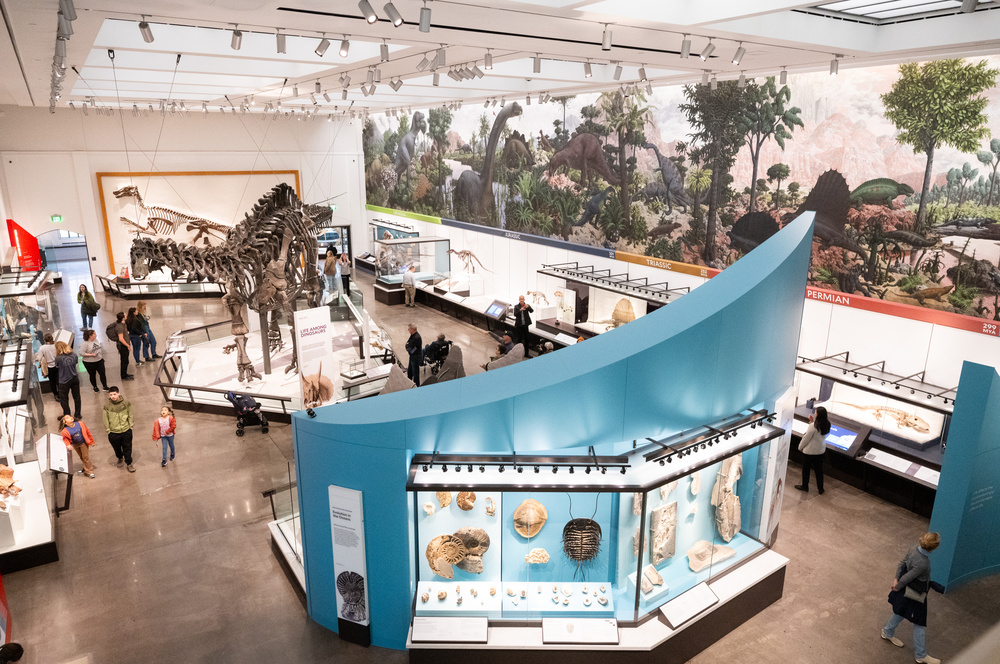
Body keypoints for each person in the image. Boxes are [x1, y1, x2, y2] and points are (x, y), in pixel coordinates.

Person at [882, 532, 944, 664]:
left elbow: (902, 563)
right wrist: (897, 586)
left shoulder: (914, 548)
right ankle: (921, 655)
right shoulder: (924, 563)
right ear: (933, 548)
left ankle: (887, 632)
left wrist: (895, 580)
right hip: (916, 593)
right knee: (919, 623)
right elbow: (908, 577)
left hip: (907, 590)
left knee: (901, 611)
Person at [795, 405, 830, 494]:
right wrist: (811, 421)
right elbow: (817, 430)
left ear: (818, 415)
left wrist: (800, 447)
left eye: (815, 413)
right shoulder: (827, 424)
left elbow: (806, 438)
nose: (814, 414)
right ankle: (820, 488)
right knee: (819, 471)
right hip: (820, 451)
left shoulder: (813, 426)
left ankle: (805, 486)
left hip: (810, 452)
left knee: (806, 470)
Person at [103, 386, 135, 472]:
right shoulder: (107, 406)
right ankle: (120, 457)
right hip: (113, 432)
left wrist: (130, 426)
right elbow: (105, 418)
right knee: (116, 447)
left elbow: (130, 414)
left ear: (118, 393)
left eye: (114, 394)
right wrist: (108, 430)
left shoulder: (126, 403)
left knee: (127, 447)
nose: (113, 396)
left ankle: (129, 463)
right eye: (111, 395)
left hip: (126, 430)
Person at [60, 415, 96, 479]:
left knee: (85, 457)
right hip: (75, 445)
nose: (71, 417)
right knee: (81, 457)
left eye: (70, 416)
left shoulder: (80, 424)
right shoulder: (65, 431)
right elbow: (65, 439)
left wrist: (91, 441)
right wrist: (68, 444)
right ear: (65, 423)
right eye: (67, 418)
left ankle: (90, 471)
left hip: (83, 443)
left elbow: (87, 432)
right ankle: (85, 468)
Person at [54, 341, 82, 420]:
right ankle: (77, 415)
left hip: (64, 380)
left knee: (64, 399)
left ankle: (67, 415)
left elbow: (57, 366)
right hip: (74, 378)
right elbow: (76, 363)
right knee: (77, 397)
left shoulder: (58, 358)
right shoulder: (74, 355)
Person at [35, 333, 59, 400]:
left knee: (52, 382)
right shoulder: (56, 346)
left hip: (49, 367)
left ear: (44, 339)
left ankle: (56, 395)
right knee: (59, 380)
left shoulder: (42, 348)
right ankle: (61, 393)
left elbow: (39, 358)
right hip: (58, 366)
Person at [112, 312, 134, 380]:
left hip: (125, 345)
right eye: (125, 315)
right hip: (123, 346)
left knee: (126, 361)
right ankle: (123, 376)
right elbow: (121, 339)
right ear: (123, 318)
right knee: (124, 361)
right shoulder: (120, 327)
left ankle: (125, 374)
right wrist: (128, 345)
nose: (126, 315)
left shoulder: (123, 324)